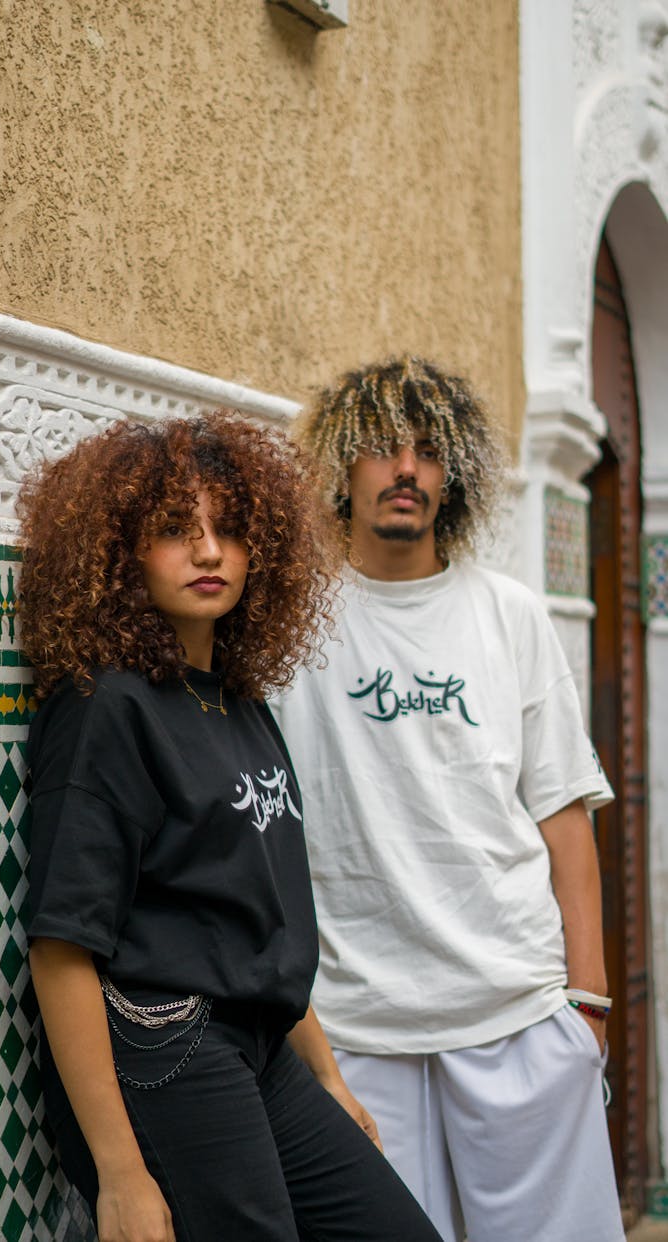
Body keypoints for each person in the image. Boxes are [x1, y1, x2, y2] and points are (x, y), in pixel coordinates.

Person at [18, 412, 444, 1242]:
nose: (209, 552)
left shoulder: (239, 701)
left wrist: (326, 1075)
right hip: (163, 1049)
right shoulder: (107, 706)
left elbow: (260, 914)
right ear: (121, 550)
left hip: (261, 1044)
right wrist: (119, 1172)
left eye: (229, 530)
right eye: (176, 531)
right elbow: (60, 945)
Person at [271, 357, 625, 1242]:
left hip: (519, 1015)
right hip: (356, 1032)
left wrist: (589, 1002)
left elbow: (563, 814)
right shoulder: (292, 622)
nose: (406, 469)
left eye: (430, 452)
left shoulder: (510, 614)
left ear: (452, 475)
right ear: (343, 468)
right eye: (383, 449)